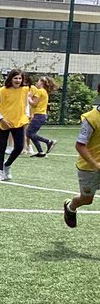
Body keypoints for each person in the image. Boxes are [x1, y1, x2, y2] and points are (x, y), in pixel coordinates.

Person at [63, 100, 100, 228]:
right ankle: (70, 207)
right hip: (89, 168)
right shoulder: (91, 119)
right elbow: (80, 145)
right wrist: (96, 165)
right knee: (87, 199)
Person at [0, 69, 30, 182]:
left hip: (18, 121)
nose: (18, 80)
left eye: (20, 78)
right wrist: (1, 119)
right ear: (11, 79)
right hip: (4, 122)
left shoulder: (25, 90)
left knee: (19, 147)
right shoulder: (3, 91)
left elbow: (26, 104)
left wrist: (27, 115)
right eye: (15, 78)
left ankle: (7, 165)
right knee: (2, 146)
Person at [26, 76, 57, 157]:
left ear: (42, 83)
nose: (37, 83)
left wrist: (28, 97)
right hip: (41, 115)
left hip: (39, 115)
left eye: (38, 81)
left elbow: (34, 104)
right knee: (31, 133)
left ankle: (48, 141)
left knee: (29, 133)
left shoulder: (39, 91)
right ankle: (40, 151)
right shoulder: (44, 92)